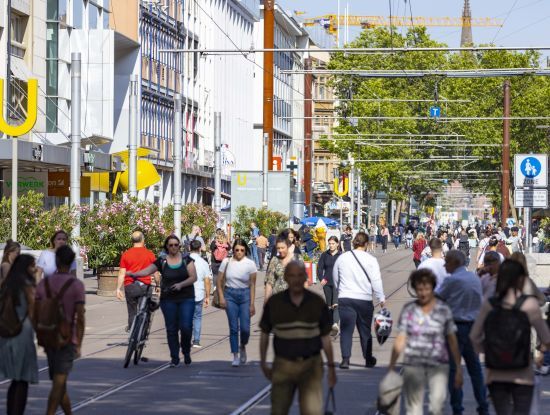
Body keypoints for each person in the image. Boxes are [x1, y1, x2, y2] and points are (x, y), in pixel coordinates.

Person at [470, 260, 550, 415]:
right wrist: (540, 354)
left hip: (495, 372)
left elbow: (474, 337)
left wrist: (490, 351)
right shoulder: (529, 304)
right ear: (520, 279)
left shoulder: (490, 303)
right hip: (523, 372)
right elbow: (546, 338)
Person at [259, 261, 337, 415]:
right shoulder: (275, 303)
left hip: (311, 365)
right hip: (283, 365)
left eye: (300, 275)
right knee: (278, 410)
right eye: (292, 275)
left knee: (312, 411)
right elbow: (264, 334)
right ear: (286, 278)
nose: (296, 279)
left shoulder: (316, 302)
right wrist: (263, 363)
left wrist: (332, 367)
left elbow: (325, 338)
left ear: (305, 278)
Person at [388, 269, 463, 415]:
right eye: (419, 289)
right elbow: (400, 339)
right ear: (415, 289)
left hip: (439, 365)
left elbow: (452, 339)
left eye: (427, 289)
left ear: (433, 288)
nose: (423, 293)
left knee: (436, 406)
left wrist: (458, 368)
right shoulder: (408, 310)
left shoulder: (443, 310)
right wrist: (391, 367)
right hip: (414, 364)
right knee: (413, 408)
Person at [129, 235, 197, 367]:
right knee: (171, 328)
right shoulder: (162, 261)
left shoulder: (186, 259)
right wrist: (134, 274)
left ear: (179, 246)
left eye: (176, 245)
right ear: (167, 246)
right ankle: (175, 357)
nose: (173, 247)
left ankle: (186, 351)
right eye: (170, 245)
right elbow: (148, 270)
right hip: (168, 298)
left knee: (186, 327)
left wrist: (180, 285)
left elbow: (193, 277)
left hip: (186, 297)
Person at [436, 250, 489, 415]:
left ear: (454, 263)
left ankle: (457, 408)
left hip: (455, 329)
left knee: (454, 369)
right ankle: (483, 406)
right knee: (475, 370)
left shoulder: (451, 280)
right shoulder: (474, 278)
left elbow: (436, 299)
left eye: (447, 262)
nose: (444, 265)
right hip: (473, 328)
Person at [35, 246, 85, 415]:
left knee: (59, 383)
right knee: (59, 383)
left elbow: (35, 311)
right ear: (71, 263)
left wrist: (39, 332)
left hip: (49, 336)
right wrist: (79, 343)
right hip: (66, 338)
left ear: (56, 261)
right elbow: (81, 317)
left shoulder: (44, 283)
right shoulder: (76, 285)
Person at [333, 232, 386, 369]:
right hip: (364, 299)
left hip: (346, 298)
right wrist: (381, 298)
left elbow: (335, 276)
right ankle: (368, 359)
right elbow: (376, 280)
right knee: (365, 330)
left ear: (354, 242)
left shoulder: (342, 258)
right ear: (366, 244)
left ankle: (345, 360)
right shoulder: (371, 260)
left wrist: (341, 290)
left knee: (346, 330)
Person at [0, 254, 39, 415]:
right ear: (26, 267)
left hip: (6, 337)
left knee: (14, 382)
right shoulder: (27, 286)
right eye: (32, 265)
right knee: (22, 382)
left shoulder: (6, 285)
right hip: (23, 336)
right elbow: (34, 312)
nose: (35, 268)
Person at [217, 239, 257, 367]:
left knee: (245, 328)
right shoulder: (226, 262)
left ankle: (243, 346)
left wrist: (252, 303)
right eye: (237, 250)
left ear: (245, 251)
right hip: (230, 295)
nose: (239, 252)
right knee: (233, 327)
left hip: (245, 295)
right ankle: (235, 354)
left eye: (242, 250)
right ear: (233, 250)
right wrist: (222, 297)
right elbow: (219, 281)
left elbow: (252, 284)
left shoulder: (250, 264)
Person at [116, 231, 157, 330]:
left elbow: (122, 273)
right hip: (145, 286)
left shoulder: (126, 254)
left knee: (132, 311)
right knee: (146, 310)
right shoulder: (150, 254)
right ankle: (143, 333)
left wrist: (118, 289)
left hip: (130, 286)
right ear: (143, 240)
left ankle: (132, 334)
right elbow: (155, 272)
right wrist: (158, 285)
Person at [265, 237, 302, 303]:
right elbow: (269, 282)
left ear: (288, 247)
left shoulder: (297, 258)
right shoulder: (274, 260)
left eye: (282, 248)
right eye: (278, 248)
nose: (280, 250)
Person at [189, 240, 212, 348]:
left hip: (185, 294)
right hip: (198, 294)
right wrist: (207, 296)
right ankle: (196, 340)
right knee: (197, 317)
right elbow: (207, 280)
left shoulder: (184, 261)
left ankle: (186, 338)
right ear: (199, 249)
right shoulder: (203, 263)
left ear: (189, 248)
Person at [317, 236, 342, 335]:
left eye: (333, 243)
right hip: (327, 283)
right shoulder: (325, 255)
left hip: (337, 283)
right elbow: (319, 268)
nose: (331, 245)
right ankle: (332, 325)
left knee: (335, 303)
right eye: (330, 244)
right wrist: (321, 278)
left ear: (337, 244)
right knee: (329, 305)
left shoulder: (341, 255)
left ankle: (335, 324)